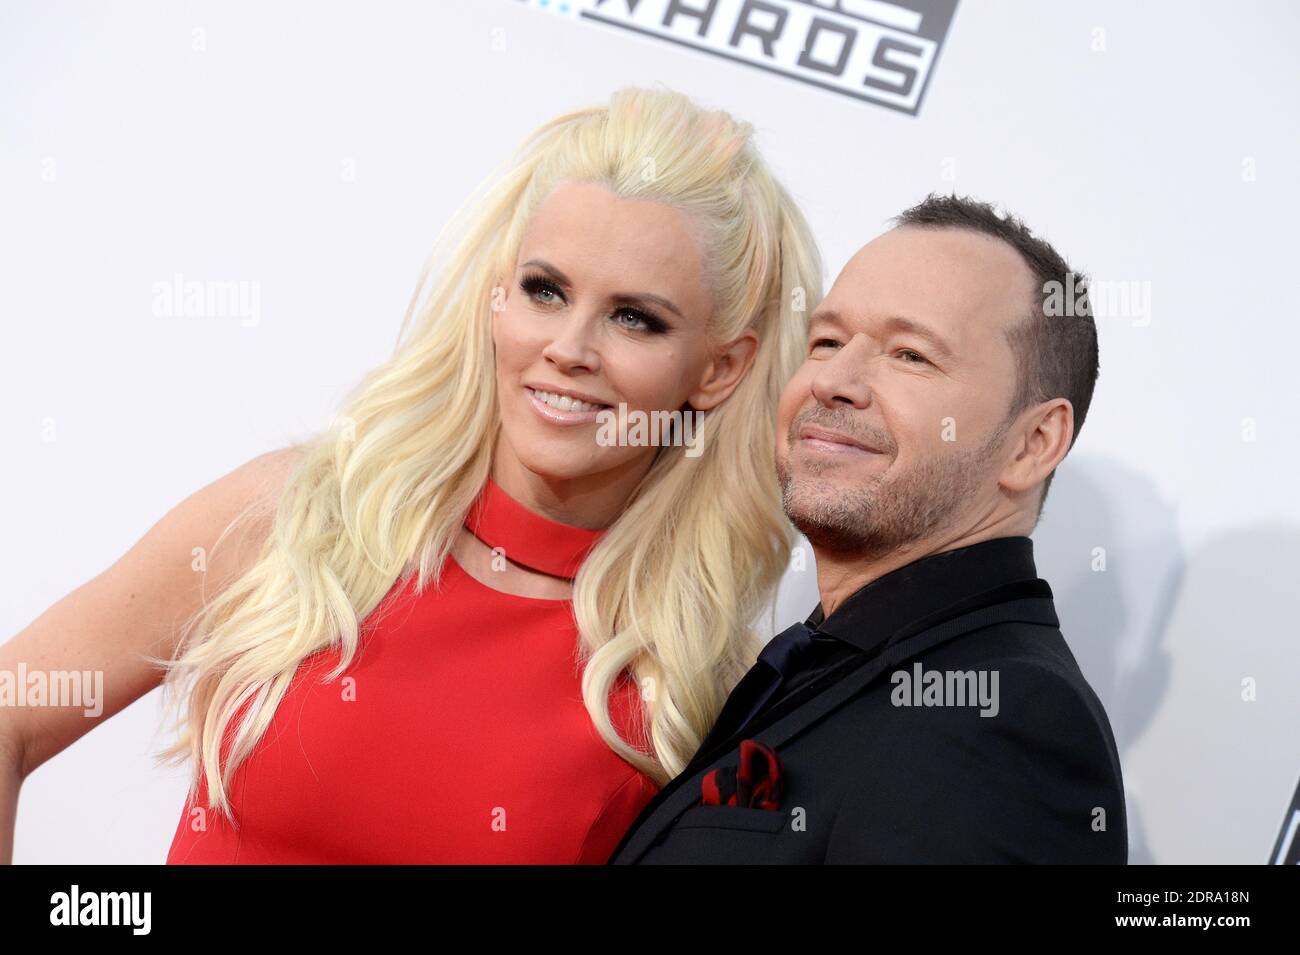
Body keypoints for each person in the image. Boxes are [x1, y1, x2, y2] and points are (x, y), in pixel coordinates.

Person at [0, 86, 824, 864]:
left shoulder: (689, 686)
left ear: (719, 369)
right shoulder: (299, 517)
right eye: (545, 291)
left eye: (634, 317)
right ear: (499, 300)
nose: (570, 347)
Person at [609, 194, 1128, 864]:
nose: (833, 380)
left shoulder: (1002, 720)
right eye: (825, 340)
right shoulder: (830, 662)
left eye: (910, 355)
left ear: (1032, 442)